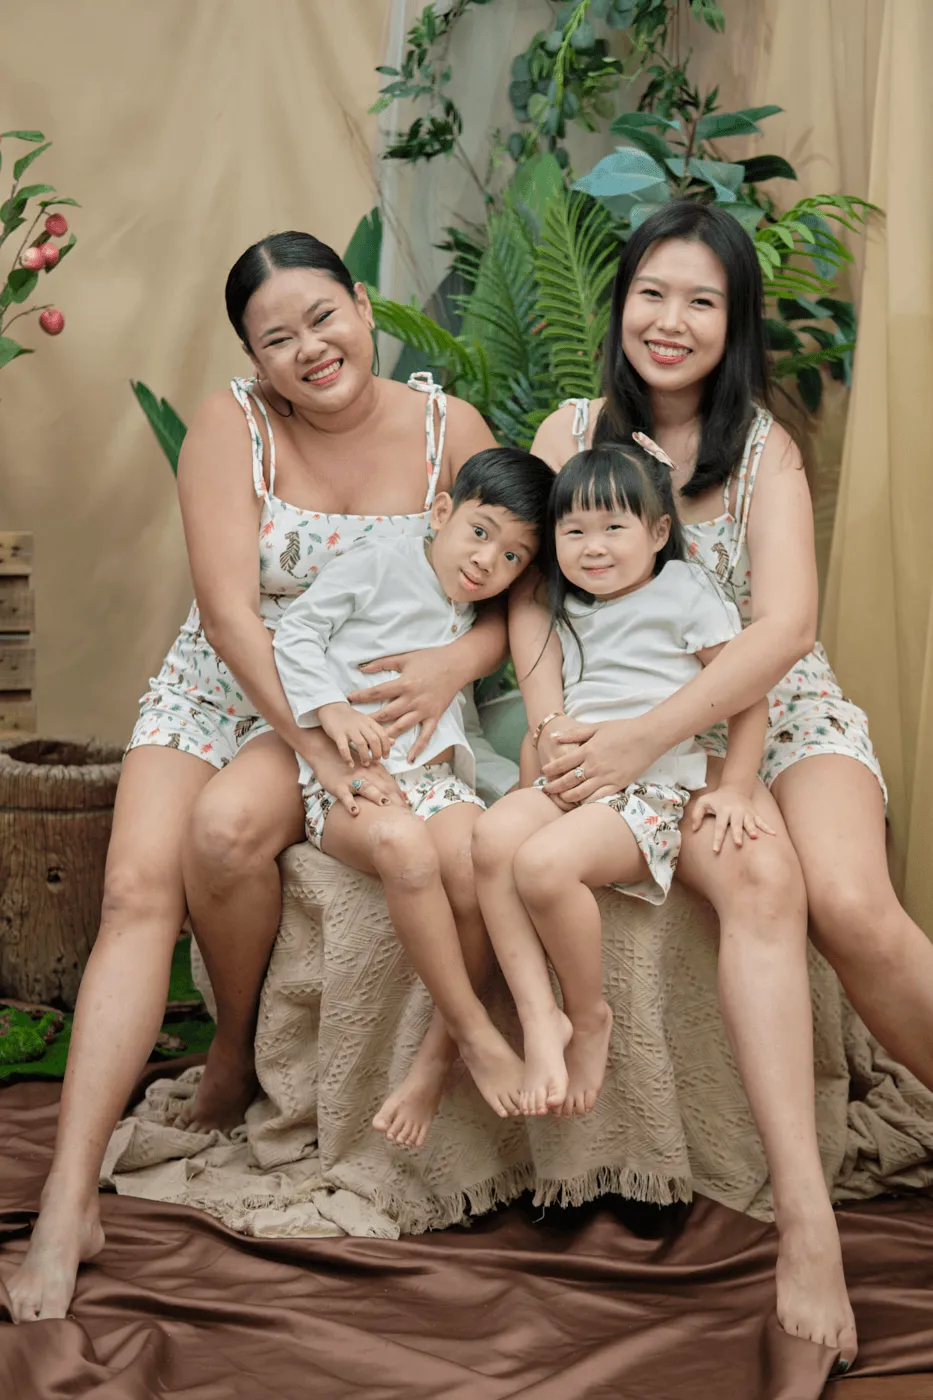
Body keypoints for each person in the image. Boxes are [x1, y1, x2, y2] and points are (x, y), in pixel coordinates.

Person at [8, 231, 505, 1324]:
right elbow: (234, 617)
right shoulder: (234, 427)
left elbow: (521, 590)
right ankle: (65, 1197)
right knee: (137, 888)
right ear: (253, 356)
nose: (309, 348)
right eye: (276, 337)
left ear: (364, 305)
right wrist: (309, 737)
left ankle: (228, 1052)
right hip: (236, 686)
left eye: (323, 316)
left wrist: (454, 664)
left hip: (373, 700)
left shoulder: (447, 430)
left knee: (228, 836)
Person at [509, 200, 868, 1367]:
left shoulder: (763, 446)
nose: (671, 320)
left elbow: (787, 627)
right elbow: (527, 594)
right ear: (620, 307)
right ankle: (802, 1227)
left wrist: (722, 762)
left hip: (765, 712)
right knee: (747, 881)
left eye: (702, 300)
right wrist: (560, 725)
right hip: (622, 733)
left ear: (735, 322)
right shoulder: (568, 428)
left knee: (844, 904)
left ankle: (809, 1222)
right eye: (652, 292)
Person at [475, 440, 773, 1121]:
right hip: (576, 781)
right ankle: (538, 1016)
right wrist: (537, 772)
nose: (593, 546)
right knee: (492, 839)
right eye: (573, 531)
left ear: (658, 532)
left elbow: (747, 693)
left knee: (544, 866)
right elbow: (547, 719)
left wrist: (737, 785)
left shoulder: (684, 591)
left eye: (614, 527)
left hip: (652, 788)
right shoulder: (564, 606)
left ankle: (588, 1017)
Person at [274, 446, 554, 1145]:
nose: (490, 561)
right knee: (404, 848)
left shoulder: (470, 608)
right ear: (441, 513)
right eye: (481, 532)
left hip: (435, 778)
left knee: (482, 863)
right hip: (346, 775)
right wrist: (330, 711)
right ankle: (474, 1034)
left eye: (515, 557)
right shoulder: (380, 564)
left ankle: (430, 1066)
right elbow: (295, 631)